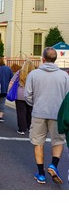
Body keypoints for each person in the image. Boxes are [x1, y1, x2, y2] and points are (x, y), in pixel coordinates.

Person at [24, 47, 69, 185]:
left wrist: (35, 104)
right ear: (55, 59)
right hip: (57, 113)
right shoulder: (64, 76)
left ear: (43, 59)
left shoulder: (34, 74)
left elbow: (27, 95)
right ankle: (53, 164)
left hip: (39, 112)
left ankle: (41, 174)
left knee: (38, 142)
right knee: (58, 141)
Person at [9, 60, 35, 135]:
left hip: (20, 94)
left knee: (21, 112)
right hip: (31, 94)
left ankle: (22, 129)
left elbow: (12, 82)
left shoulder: (19, 72)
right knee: (29, 112)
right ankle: (29, 127)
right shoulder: (35, 74)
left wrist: (9, 90)